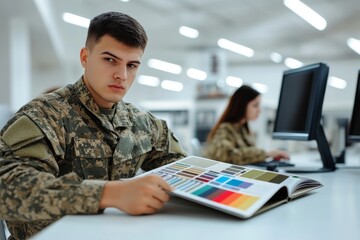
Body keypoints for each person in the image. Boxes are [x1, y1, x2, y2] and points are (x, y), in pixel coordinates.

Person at [0, 11, 187, 239]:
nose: (122, 75)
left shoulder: (143, 124)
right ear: (85, 57)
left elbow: (186, 173)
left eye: (132, 65)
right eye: (110, 60)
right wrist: (108, 194)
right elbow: (7, 186)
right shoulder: (44, 115)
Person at [203, 85, 289, 165]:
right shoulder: (225, 128)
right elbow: (228, 156)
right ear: (242, 105)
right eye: (255, 105)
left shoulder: (242, 129)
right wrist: (266, 154)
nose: (259, 110)